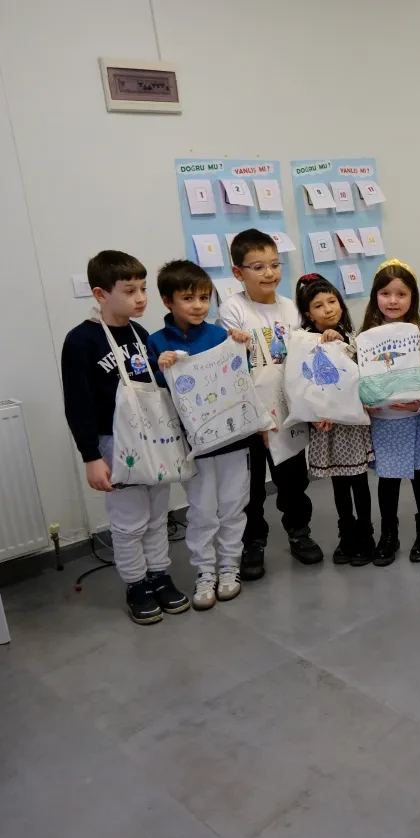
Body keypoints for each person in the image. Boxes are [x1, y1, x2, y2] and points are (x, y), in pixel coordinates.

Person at [60, 250, 190, 624]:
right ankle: (136, 584)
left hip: (154, 440)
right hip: (114, 443)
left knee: (157, 516)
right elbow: (78, 404)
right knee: (129, 521)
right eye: (130, 291)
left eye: (143, 289)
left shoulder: (140, 334)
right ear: (100, 294)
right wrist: (91, 456)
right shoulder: (81, 341)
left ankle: (160, 575)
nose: (141, 298)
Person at [218, 229, 322, 576]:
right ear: (238, 272)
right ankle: (253, 542)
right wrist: (258, 419)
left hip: (287, 410)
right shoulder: (233, 309)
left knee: (293, 479)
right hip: (249, 416)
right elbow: (233, 369)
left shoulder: (289, 308)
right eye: (258, 266)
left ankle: (299, 531)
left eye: (275, 265)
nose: (269, 273)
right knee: (250, 487)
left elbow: (300, 359)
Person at [149, 261, 252, 610]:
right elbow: (155, 393)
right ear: (168, 301)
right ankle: (205, 571)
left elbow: (240, 379)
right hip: (193, 445)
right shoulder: (156, 342)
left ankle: (230, 566)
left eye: (204, 298)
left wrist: (242, 349)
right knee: (202, 511)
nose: (198, 306)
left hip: (233, 438)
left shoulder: (220, 335)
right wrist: (161, 368)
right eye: (188, 298)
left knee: (234, 506)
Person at [360, 259, 420, 567]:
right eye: (385, 293)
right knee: (388, 479)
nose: (393, 301)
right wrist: (363, 401)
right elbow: (357, 378)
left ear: (412, 297)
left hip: (416, 417)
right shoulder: (366, 336)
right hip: (384, 420)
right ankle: (388, 534)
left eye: (401, 294)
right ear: (375, 296)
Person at [295, 274, 375, 567]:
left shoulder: (354, 338)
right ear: (308, 314)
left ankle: (366, 532)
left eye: (332, 301)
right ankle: (347, 532)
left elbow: (363, 372)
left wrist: (342, 343)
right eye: (319, 305)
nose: (328, 309)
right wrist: (312, 418)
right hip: (326, 426)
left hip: (352, 425)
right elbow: (299, 383)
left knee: (359, 481)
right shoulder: (302, 343)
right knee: (339, 484)